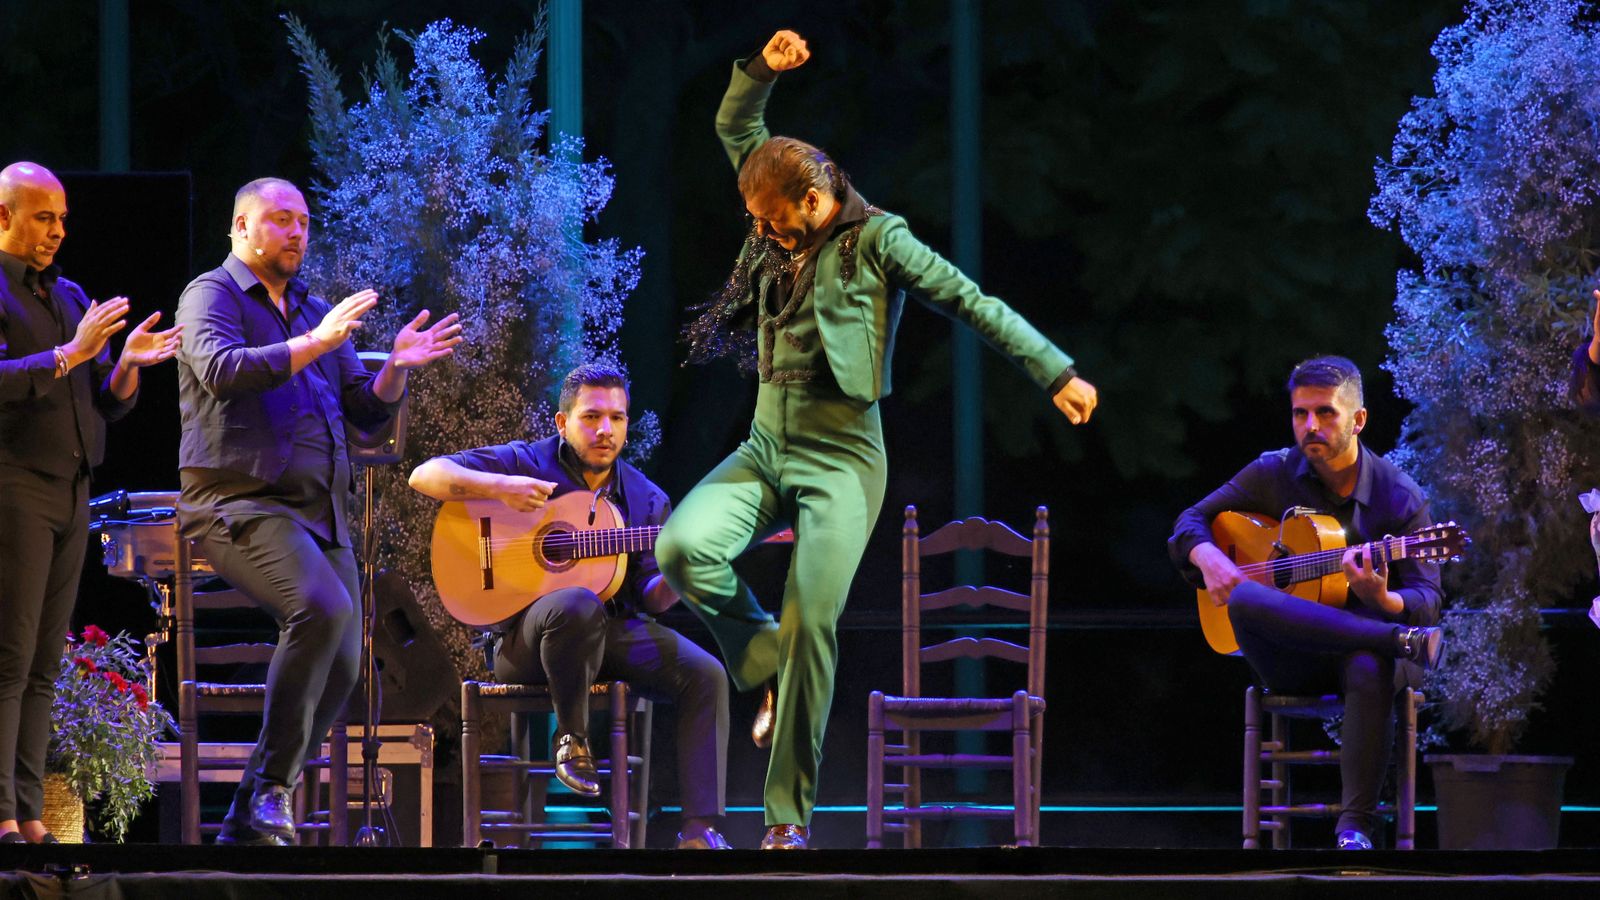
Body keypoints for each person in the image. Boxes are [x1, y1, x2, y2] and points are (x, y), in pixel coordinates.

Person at [657, 30, 1099, 850]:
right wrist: (760, 70)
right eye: (758, 220)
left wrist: (1055, 372)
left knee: (812, 619)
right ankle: (763, 663)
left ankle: (785, 820)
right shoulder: (768, 194)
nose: (764, 233)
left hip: (841, 458)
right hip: (764, 444)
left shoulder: (879, 241)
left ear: (816, 202)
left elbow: (971, 301)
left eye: (777, 222)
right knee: (682, 549)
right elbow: (734, 126)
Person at [175, 177, 461, 846]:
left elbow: (365, 408)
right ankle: (273, 788)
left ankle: (253, 806)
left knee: (346, 664)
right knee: (322, 610)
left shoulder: (312, 310)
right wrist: (319, 342)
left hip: (319, 513)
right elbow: (224, 371)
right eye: (280, 220)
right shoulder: (210, 295)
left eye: (303, 221)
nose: (297, 231)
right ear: (241, 228)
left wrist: (394, 366)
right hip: (238, 501)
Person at [408, 363, 733, 850]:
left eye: (618, 418)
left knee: (706, 674)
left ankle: (699, 831)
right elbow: (424, 475)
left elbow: (650, 597)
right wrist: (500, 487)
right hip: (524, 642)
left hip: (609, 635)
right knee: (576, 603)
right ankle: (572, 740)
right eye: (592, 416)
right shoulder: (527, 463)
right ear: (562, 423)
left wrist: (685, 575)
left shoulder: (647, 500)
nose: (606, 430)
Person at [1168, 355, 1445, 850]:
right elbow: (1189, 520)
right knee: (1247, 598)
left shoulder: (1400, 497)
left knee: (1366, 663)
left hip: (1368, 665)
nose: (1310, 426)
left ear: (1358, 420)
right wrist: (1206, 553)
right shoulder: (1273, 473)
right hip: (1297, 657)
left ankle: (1355, 829)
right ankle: (1393, 640)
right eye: (1300, 414)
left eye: (1325, 413)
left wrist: (1383, 598)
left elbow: (1427, 600)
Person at [0, 161, 182, 845]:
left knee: (46, 662)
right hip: (13, 486)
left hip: (73, 494)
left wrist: (125, 364)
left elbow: (101, 399)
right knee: (10, 659)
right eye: (43, 217)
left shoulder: (70, 295)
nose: (57, 231)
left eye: (62, 219)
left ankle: (28, 813)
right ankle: (1, 814)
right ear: (4, 216)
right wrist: (69, 355)